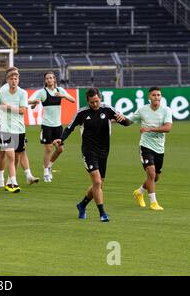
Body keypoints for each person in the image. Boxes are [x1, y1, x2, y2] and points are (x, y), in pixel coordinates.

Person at [53, 88, 132, 222]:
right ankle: (102, 213)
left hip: (104, 152)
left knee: (99, 185)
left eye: (96, 101)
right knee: (96, 181)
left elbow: (127, 123)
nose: (95, 104)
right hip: (88, 152)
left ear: (100, 98)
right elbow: (69, 128)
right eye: (92, 102)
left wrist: (124, 119)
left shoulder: (107, 109)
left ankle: (82, 204)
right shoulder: (82, 113)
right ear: (87, 101)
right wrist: (61, 139)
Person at [28, 71, 75, 182]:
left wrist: (63, 96)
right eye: (47, 78)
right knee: (48, 149)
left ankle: (49, 165)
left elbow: (73, 100)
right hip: (46, 125)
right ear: (45, 81)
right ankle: (45, 173)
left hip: (57, 125)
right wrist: (34, 102)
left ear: (54, 79)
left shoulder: (60, 91)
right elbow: (29, 102)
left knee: (60, 149)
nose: (49, 80)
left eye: (51, 78)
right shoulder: (42, 92)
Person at [131, 87, 172, 211]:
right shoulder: (142, 110)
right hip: (145, 146)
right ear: (149, 97)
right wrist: (112, 119)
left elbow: (167, 128)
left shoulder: (166, 110)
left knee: (155, 177)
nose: (156, 97)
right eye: (154, 95)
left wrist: (149, 129)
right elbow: (129, 120)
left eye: (158, 95)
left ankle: (139, 192)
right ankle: (153, 203)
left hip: (159, 148)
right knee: (151, 173)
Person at [0, 68, 39, 188]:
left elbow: (21, 110)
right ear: (7, 79)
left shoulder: (23, 93)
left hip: (19, 129)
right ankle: (9, 181)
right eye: (12, 78)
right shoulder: (2, 91)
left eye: (16, 78)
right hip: (5, 128)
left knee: (17, 155)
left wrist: (8, 107)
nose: (14, 80)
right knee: (8, 155)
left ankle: (11, 180)